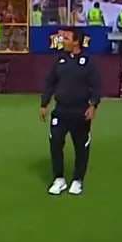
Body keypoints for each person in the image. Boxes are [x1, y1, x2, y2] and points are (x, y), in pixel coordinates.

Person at [40, 29, 101, 196]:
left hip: (80, 111)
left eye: (66, 38)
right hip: (61, 110)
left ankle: (77, 180)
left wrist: (93, 105)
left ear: (76, 42)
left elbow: (96, 86)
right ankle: (59, 179)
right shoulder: (59, 60)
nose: (63, 41)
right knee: (55, 143)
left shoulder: (88, 63)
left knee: (81, 147)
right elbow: (50, 83)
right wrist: (44, 104)